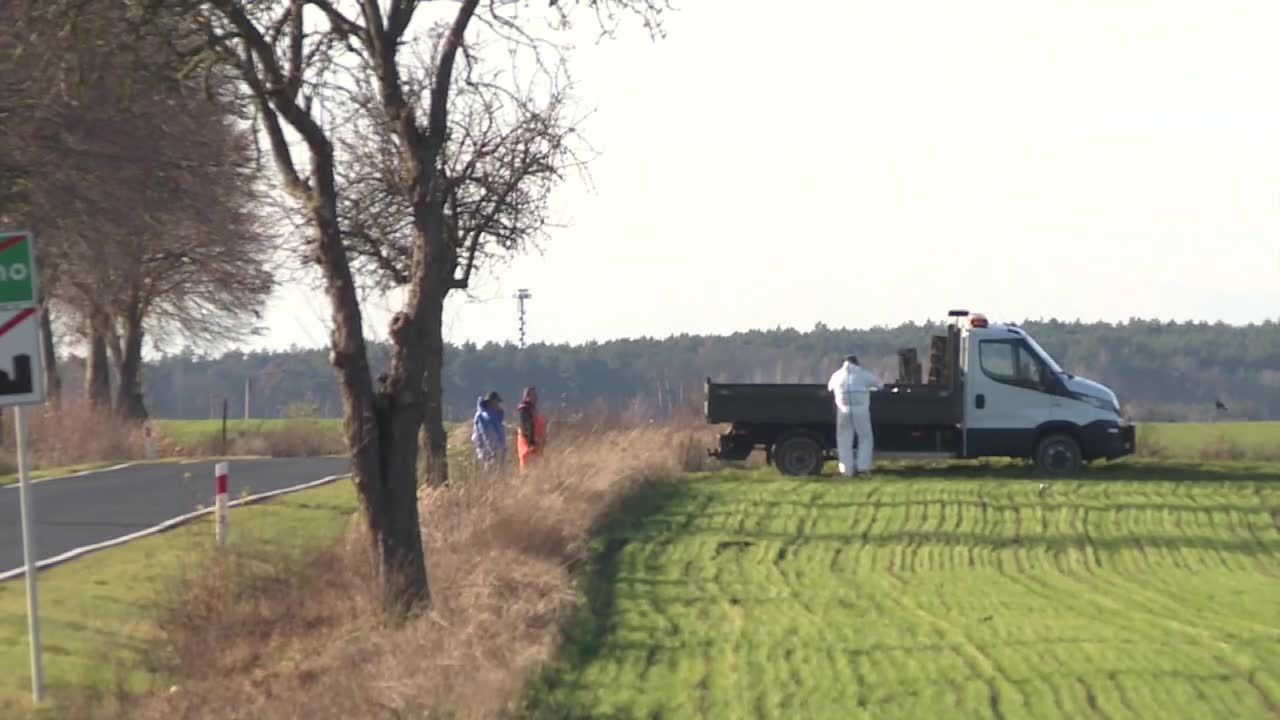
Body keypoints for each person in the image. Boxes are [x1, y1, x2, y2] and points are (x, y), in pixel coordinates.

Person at [827, 354, 881, 477]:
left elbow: (830, 387)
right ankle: (862, 468)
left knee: (844, 440)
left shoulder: (837, 375)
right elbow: (880, 384)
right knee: (865, 438)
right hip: (861, 411)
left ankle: (846, 471)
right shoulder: (863, 374)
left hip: (843, 411)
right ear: (857, 363)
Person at [471, 391, 507, 471]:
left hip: (498, 453)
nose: (498, 404)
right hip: (490, 455)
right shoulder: (485, 416)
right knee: (493, 477)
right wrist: (495, 451)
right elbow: (489, 436)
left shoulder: (495, 416)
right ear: (491, 402)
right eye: (497, 402)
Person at [516, 385, 548, 473]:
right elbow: (526, 428)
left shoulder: (533, 409)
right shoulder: (525, 410)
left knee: (537, 472)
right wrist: (532, 443)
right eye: (534, 395)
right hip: (529, 448)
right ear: (527, 396)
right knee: (528, 471)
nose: (536, 397)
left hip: (537, 447)